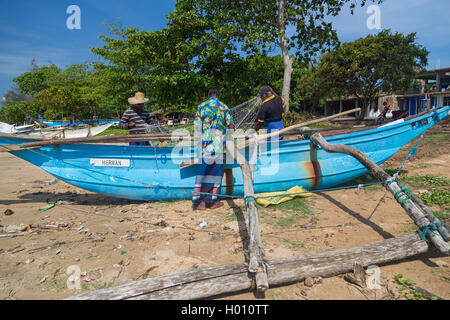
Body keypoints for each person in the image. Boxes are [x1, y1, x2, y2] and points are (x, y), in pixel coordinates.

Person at [192, 88, 234, 211]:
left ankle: (199, 203)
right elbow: (231, 126)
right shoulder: (224, 107)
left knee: (202, 173)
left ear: (209, 95)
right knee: (215, 174)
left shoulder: (201, 106)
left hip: (204, 145)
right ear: (219, 96)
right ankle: (211, 202)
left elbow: (197, 127)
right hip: (219, 145)